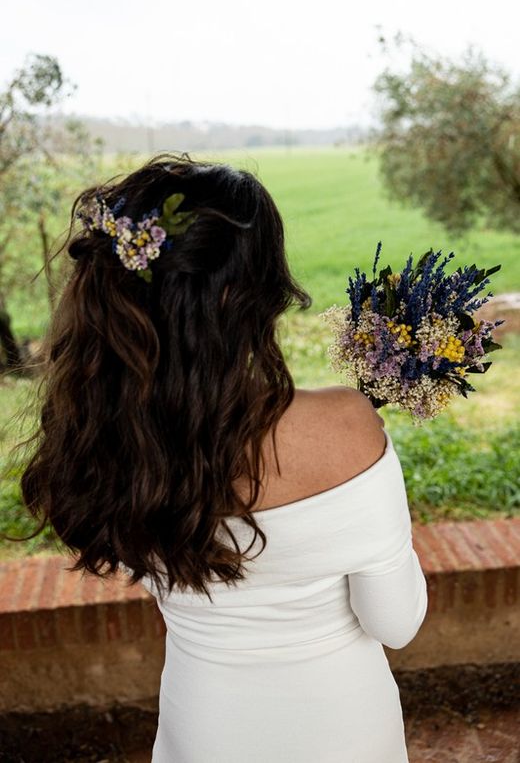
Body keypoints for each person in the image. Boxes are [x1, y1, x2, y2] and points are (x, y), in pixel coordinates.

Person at [19, 152, 428, 762]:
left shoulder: (112, 439)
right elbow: (396, 622)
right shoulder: (345, 428)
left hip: (202, 725)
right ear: (248, 293)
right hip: (340, 731)